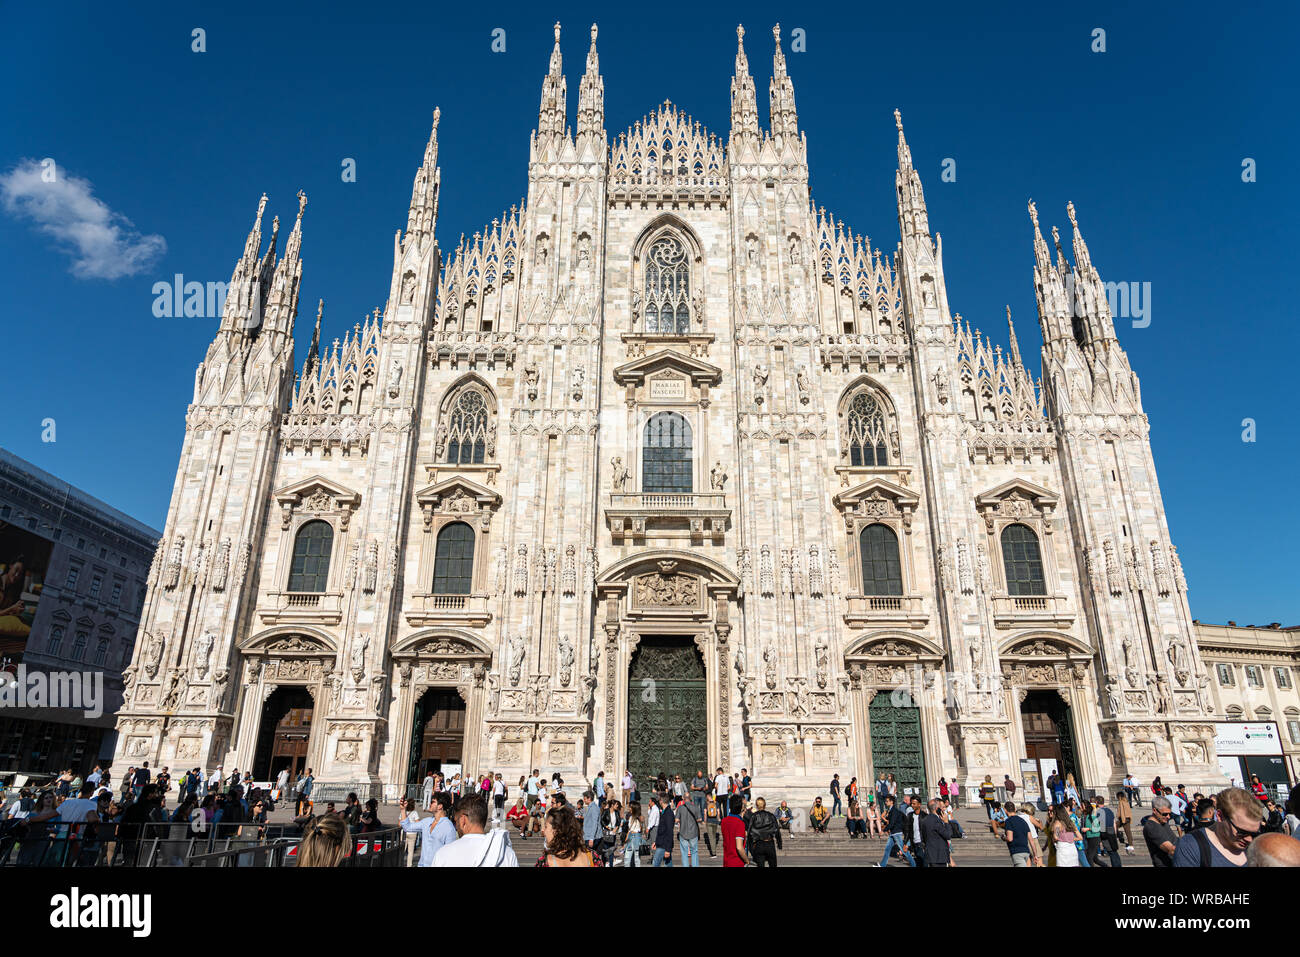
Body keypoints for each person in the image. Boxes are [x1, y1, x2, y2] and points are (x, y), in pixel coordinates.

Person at [1173, 787, 1265, 868]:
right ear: (1220, 816)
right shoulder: (1191, 846)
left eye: (1254, 834)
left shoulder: (1255, 848)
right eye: (1242, 832)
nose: (1249, 839)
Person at [432, 794, 518, 867]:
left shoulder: (443, 854)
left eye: (456, 821)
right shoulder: (506, 853)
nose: (456, 826)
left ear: (463, 821)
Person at [876, 794, 916, 867]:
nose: (885, 802)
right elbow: (891, 822)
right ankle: (882, 865)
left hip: (896, 833)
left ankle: (914, 865)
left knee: (904, 850)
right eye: (885, 801)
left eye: (887, 801)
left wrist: (884, 830)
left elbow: (892, 823)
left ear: (892, 802)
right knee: (887, 849)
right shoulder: (891, 810)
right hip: (893, 833)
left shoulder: (894, 811)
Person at [1142, 795, 1179, 867]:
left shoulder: (1162, 821)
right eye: (1165, 814)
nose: (1168, 817)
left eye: (1170, 814)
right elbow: (1171, 850)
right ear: (1155, 810)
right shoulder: (1151, 827)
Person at [747, 796, 782, 866]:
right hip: (769, 843)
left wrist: (751, 848)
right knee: (773, 864)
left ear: (756, 806)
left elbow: (750, 832)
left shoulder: (754, 816)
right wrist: (779, 843)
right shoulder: (771, 815)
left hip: (758, 844)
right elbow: (777, 830)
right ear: (765, 805)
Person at [921, 798, 953, 866]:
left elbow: (923, 838)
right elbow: (948, 835)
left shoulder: (925, 820)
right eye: (941, 807)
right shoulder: (936, 821)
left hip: (931, 855)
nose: (942, 809)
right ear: (937, 808)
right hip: (939, 856)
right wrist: (946, 822)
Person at [1002, 802, 1036, 866]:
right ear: (1015, 809)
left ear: (1005, 810)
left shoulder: (1009, 821)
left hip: (1017, 852)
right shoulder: (1023, 821)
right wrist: (1035, 855)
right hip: (1026, 851)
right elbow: (1031, 840)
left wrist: (1003, 837)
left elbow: (1010, 838)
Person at [1094, 795, 1122, 867]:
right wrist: (1115, 833)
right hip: (1111, 830)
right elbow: (1114, 823)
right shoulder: (1109, 810)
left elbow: (1097, 823)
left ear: (1097, 802)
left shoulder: (1099, 812)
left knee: (1111, 852)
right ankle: (1118, 865)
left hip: (1105, 832)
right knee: (1114, 851)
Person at [721, 794, 748, 867]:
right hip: (736, 862)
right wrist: (746, 860)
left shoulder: (724, 821)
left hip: (726, 861)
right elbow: (739, 847)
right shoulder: (739, 823)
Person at [650, 793, 674, 867]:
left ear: (661, 801)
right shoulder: (664, 812)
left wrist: (668, 849)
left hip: (664, 844)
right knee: (668, 864)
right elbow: (662, 830)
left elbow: (669, 832)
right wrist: (656, 842)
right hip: (661, 842)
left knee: (655, 863)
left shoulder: (668, 813)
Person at [623, 802, 645, 867]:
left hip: (637, 837)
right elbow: (629, 830)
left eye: (630, 807)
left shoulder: (640, 817)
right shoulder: (630, 817)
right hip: (630, 837)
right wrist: (625, 842)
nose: (629, 808)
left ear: (634, 808)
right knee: (627, 858)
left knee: (637, 859)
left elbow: (641, 830)